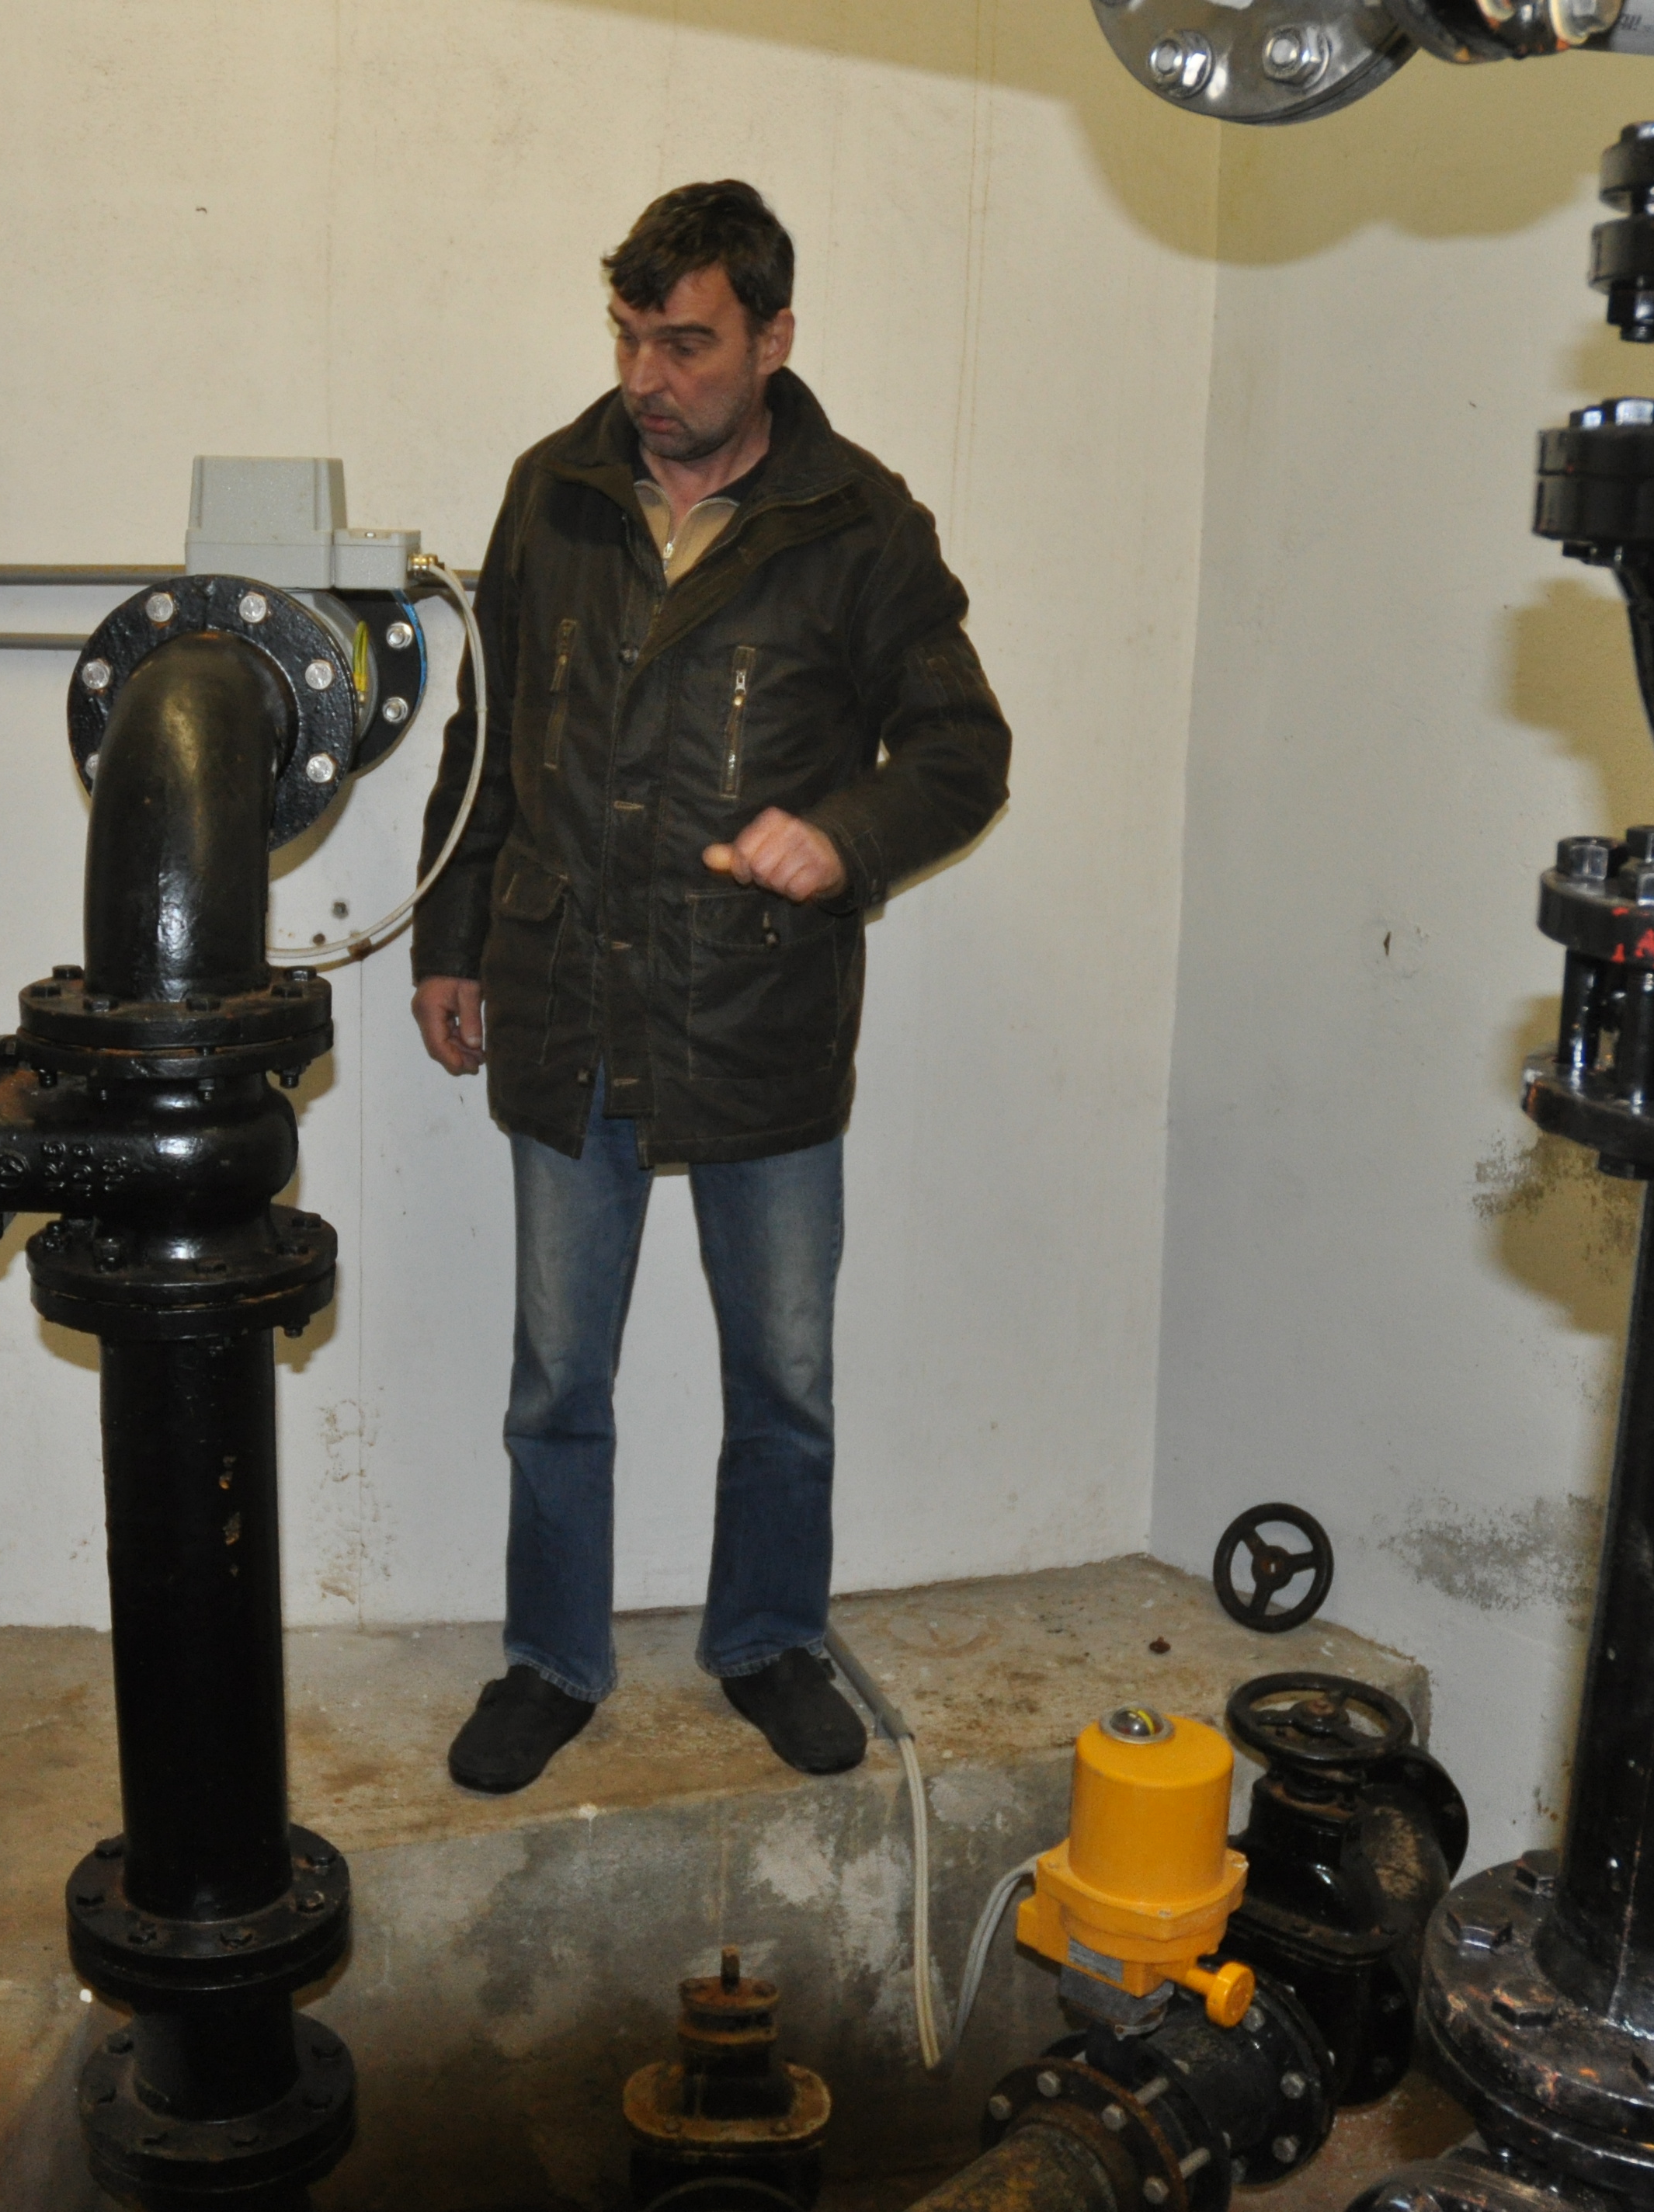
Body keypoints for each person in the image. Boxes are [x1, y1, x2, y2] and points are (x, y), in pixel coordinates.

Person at [408, 180, 1012, 1794]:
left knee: (783, 1377)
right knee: (556, 1377)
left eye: (683, 343)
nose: (645, 377)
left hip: (759, 1014)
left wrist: (844, 835)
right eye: (627, 337)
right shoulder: (553, 492)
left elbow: (961, 749)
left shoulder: (859, 522)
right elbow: (483, 739)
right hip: (566, 996)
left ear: (772, 337)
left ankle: (767, 1638)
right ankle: (550, 1658)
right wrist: (450, 939)